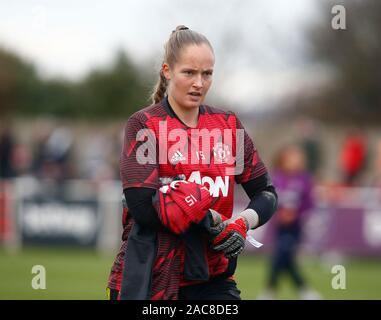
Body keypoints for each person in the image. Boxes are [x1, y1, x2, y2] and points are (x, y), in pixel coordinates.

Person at [107, 25, 278, 300]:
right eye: (189, 72)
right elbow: (141, 205)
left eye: (207, 74)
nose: (199, 83)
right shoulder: (144, 124)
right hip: (151, 277)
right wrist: (211, 219)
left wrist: (243, 223)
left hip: (214, 280)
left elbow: (266, 194)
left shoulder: (228, 126)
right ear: (167, 71)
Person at [258, 144, 320, 300]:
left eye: (298, 158)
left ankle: (270, 290)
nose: (296, 161)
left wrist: (296, 214)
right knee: (283, 256)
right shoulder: (275, 178)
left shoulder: (304, 179)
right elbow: (268, 199)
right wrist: (279, 213)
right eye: (292, 158)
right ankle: (303, 290)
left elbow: (309, 203)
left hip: (296, 227)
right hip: (279, 226)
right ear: (283, 160)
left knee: (282, 255)